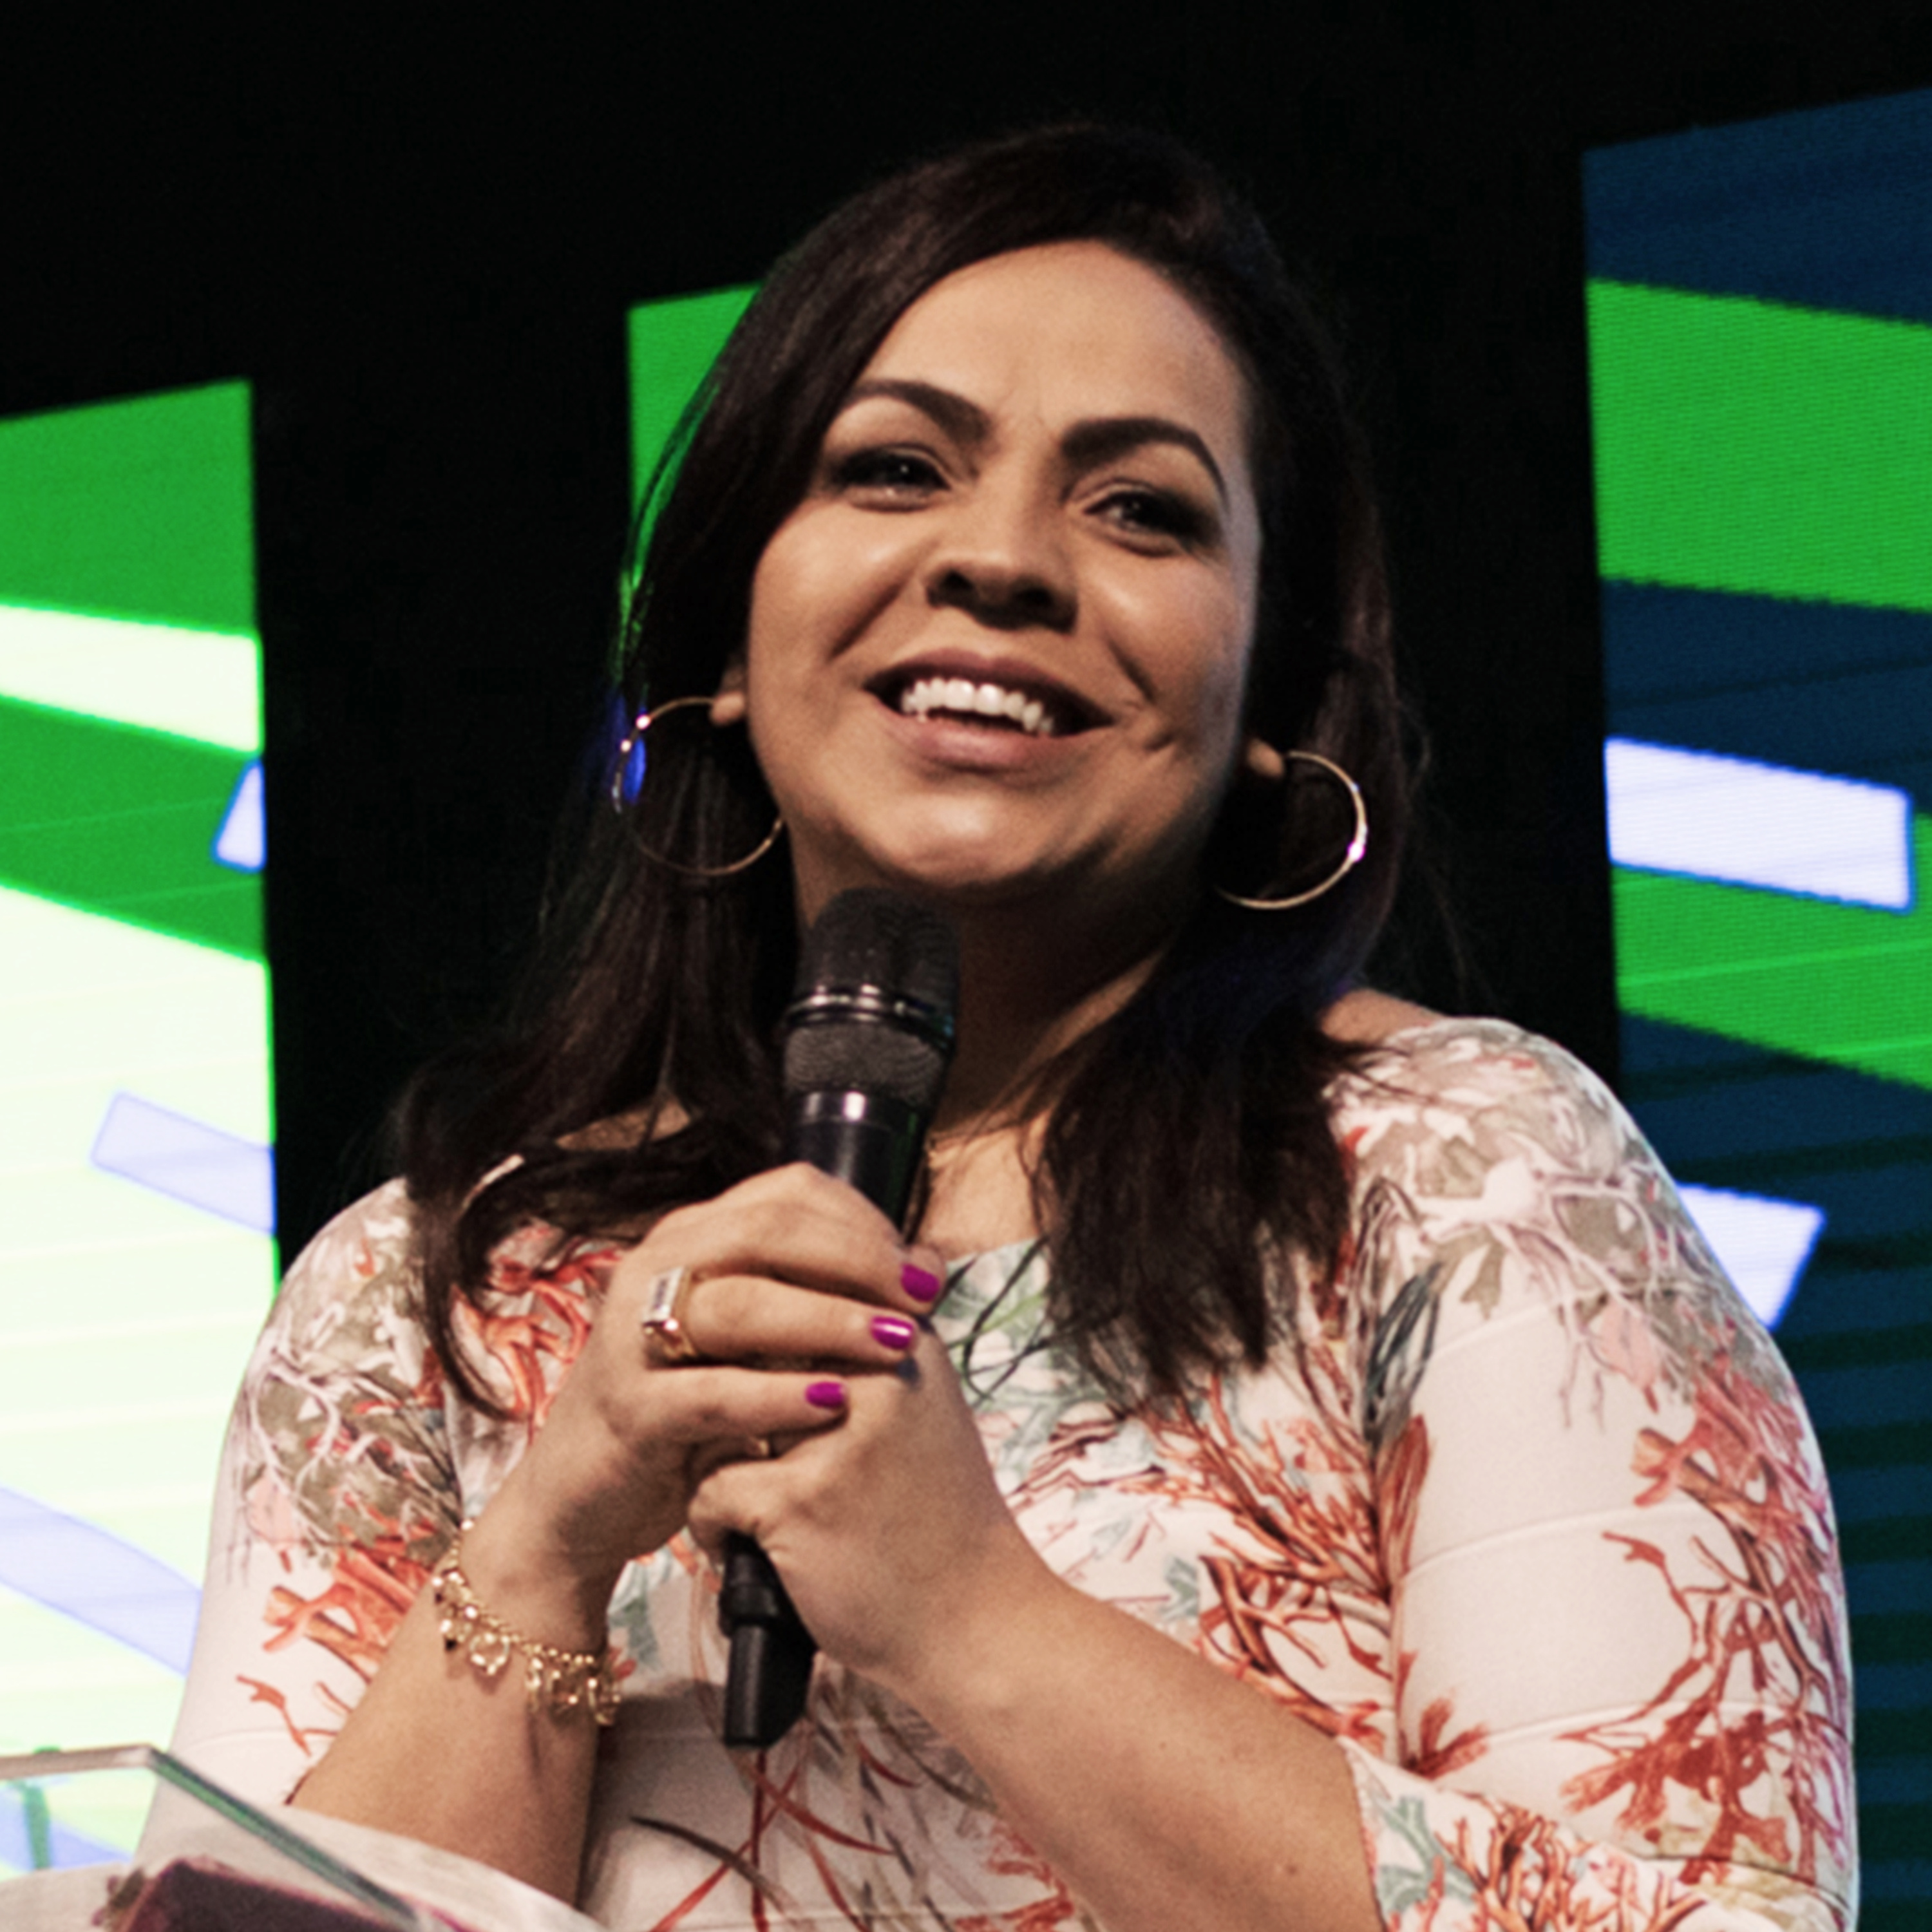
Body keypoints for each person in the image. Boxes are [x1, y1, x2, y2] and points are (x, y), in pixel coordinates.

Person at [166, 126, 1855, 1931]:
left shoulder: (1471, 1186)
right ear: (726, 632)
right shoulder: (429, 1298)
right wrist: (549, 1539)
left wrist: (972, 1613)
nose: (1001, 561)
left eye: (1142, 511)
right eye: (895, 470)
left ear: (1270, 696)